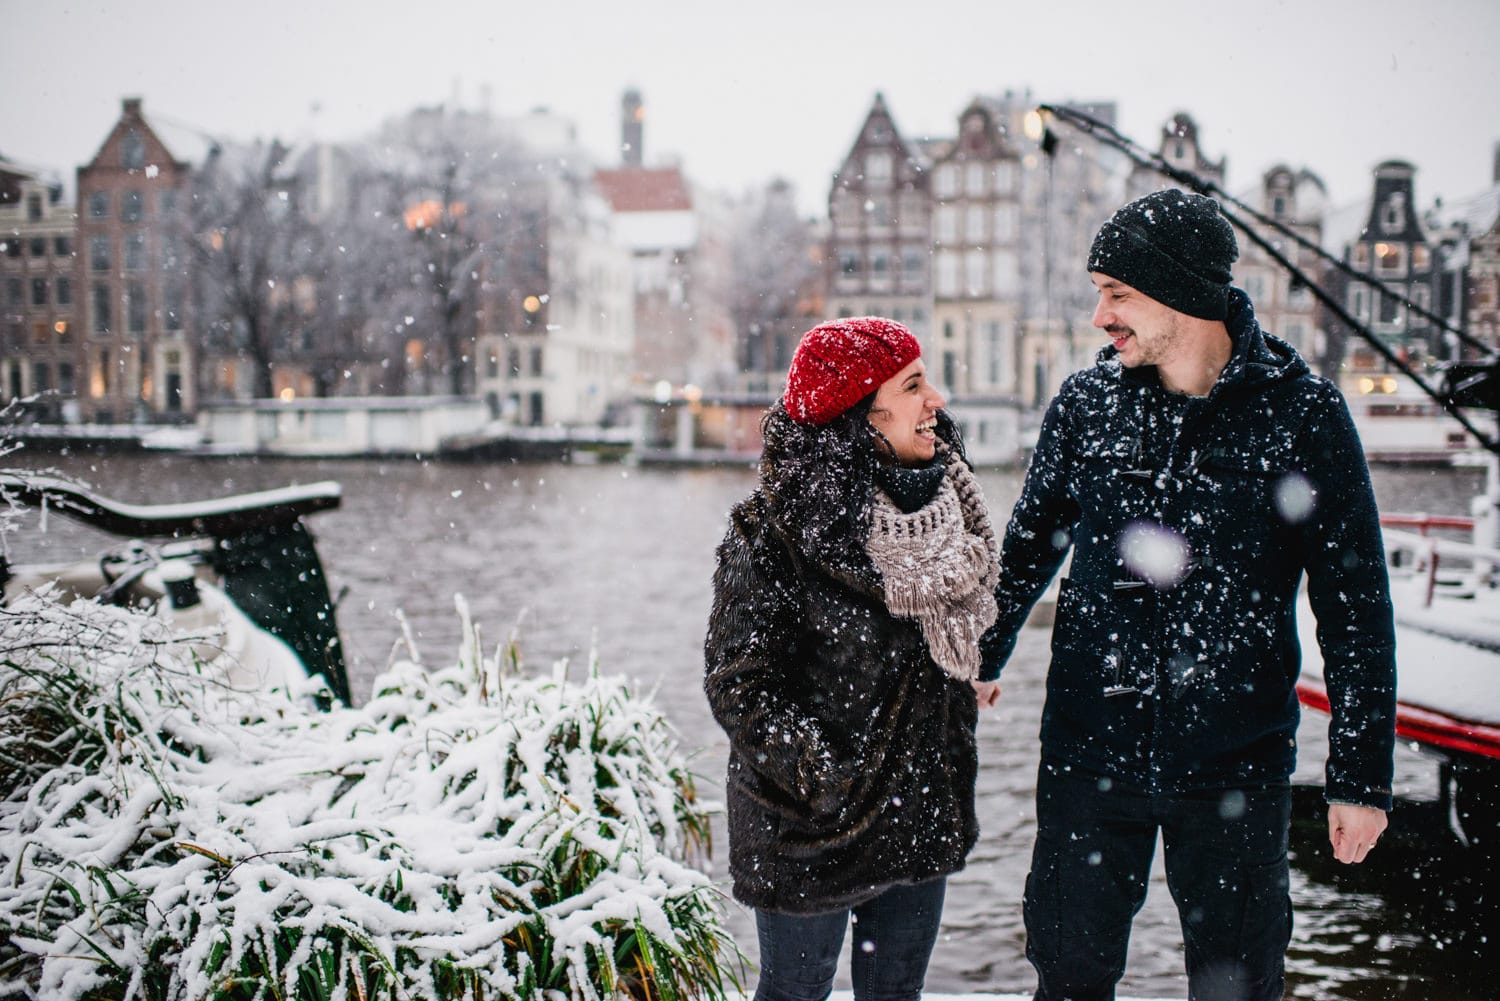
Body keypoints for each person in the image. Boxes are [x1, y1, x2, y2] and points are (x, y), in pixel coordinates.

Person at [979, 190, 1398, 1001]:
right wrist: (981, 656)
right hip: (1089, 753)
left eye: (1116, 293)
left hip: (1235, 760)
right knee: (1067, 974)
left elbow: (1355, 602)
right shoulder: (1084, 404)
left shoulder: (1302, 414)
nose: (1099, 315)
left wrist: (1358, 776)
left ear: (1180, 293)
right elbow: (1028, 545)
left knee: (1237, 985)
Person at [705, 316, 1003, 1001]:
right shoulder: (771, 534)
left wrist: (960, 688)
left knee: (896, 992)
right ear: (860, 417)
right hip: (810, 829)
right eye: (915, 384)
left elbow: (939, 641)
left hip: (918, 812)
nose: (939, 400)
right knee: (795, 991)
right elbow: (740, 684)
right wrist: (829, 779)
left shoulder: (946, 511)